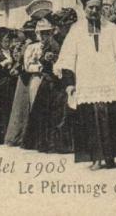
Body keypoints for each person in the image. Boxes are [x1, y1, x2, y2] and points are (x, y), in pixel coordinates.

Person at [54, 0, 116, 169]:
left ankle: (110, 157)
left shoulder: (113, 30)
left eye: (97, 8)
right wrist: (69, 84)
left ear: (102, 9)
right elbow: (68, 59)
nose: (94, 11)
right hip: (86, 83)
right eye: (90, 8)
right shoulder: (75, 31)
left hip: (109, 83)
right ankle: (96, 158)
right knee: (89, 122)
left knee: (111, 120)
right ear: (84, 9)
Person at [22, 19, 73, 153]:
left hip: (66, 79)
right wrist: (48, 57)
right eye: (63, 26)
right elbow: (42, 59)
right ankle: (50, 143)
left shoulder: (72, 38)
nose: (65, 28)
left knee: (64, 111)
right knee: (50, 112)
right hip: (51, 80)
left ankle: (65, 144)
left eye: (67, 26)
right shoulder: (52, 40)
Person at [4, 31, 32, 146]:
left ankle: (20, 136)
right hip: (24, 77)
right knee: (21, 106)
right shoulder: (22, 45)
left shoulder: (26, 45)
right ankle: (18, 136)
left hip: (26, 77)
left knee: (22, 106)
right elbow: (19, 60)